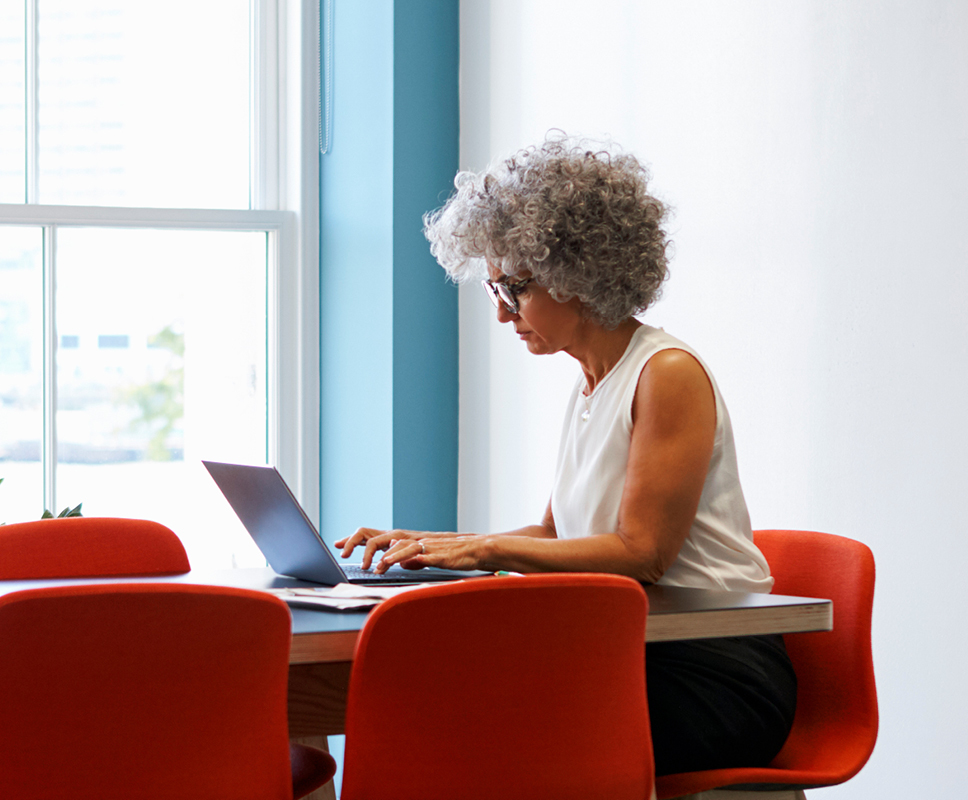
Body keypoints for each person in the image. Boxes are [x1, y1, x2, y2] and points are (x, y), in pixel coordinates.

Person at [334, 134, 797, 776]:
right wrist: (440, 543)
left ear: (577, 273)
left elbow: (643, 554)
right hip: (626, 649)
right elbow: (557, 534)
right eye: (496, 292)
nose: (503, 315)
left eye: (513, 290)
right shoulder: (591, 383)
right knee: (438, 700)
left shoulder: (666, 374)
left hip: (712, 666)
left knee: (465, 718)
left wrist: (484, 551)